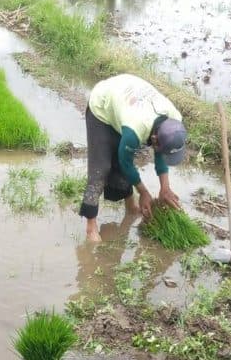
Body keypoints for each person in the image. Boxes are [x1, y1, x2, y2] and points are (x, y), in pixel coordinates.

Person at [79, 74, 187, 242]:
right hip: (103, 104)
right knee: (101, 168)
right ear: (154, 139)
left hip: (128, 101)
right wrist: (143, 192)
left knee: (124, 162)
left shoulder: (174, 121)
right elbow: (125, 161)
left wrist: (165, 188)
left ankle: (131, 207)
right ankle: (91, 227)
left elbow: (161, 152)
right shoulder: (136, 129)